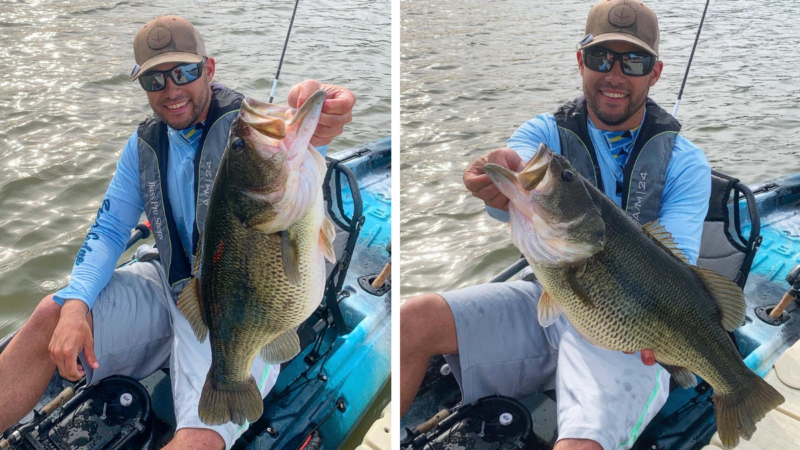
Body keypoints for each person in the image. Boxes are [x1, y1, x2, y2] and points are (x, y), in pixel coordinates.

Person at [0, 15, 356, 449]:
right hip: (169, 282)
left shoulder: (250, 132)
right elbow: (112, 227)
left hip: (238, 307)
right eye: (154, 79)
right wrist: (75, 304)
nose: (171, 90)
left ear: (209, 69)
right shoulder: (144, 144)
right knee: (48, 315)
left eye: (184, 72)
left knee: (200, 437)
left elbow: (302, 143)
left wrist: (323, 118)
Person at [400, 1, 711, 449]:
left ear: (655, 72)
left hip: (631, 327)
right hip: (549, 296)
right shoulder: (543, 135)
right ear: (580, 61)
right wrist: (497, 177)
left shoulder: (687, 164)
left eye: (634, 61)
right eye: (602, 58)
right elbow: (511, 177)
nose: (615, 75)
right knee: (413, 320)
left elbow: (676, 270)